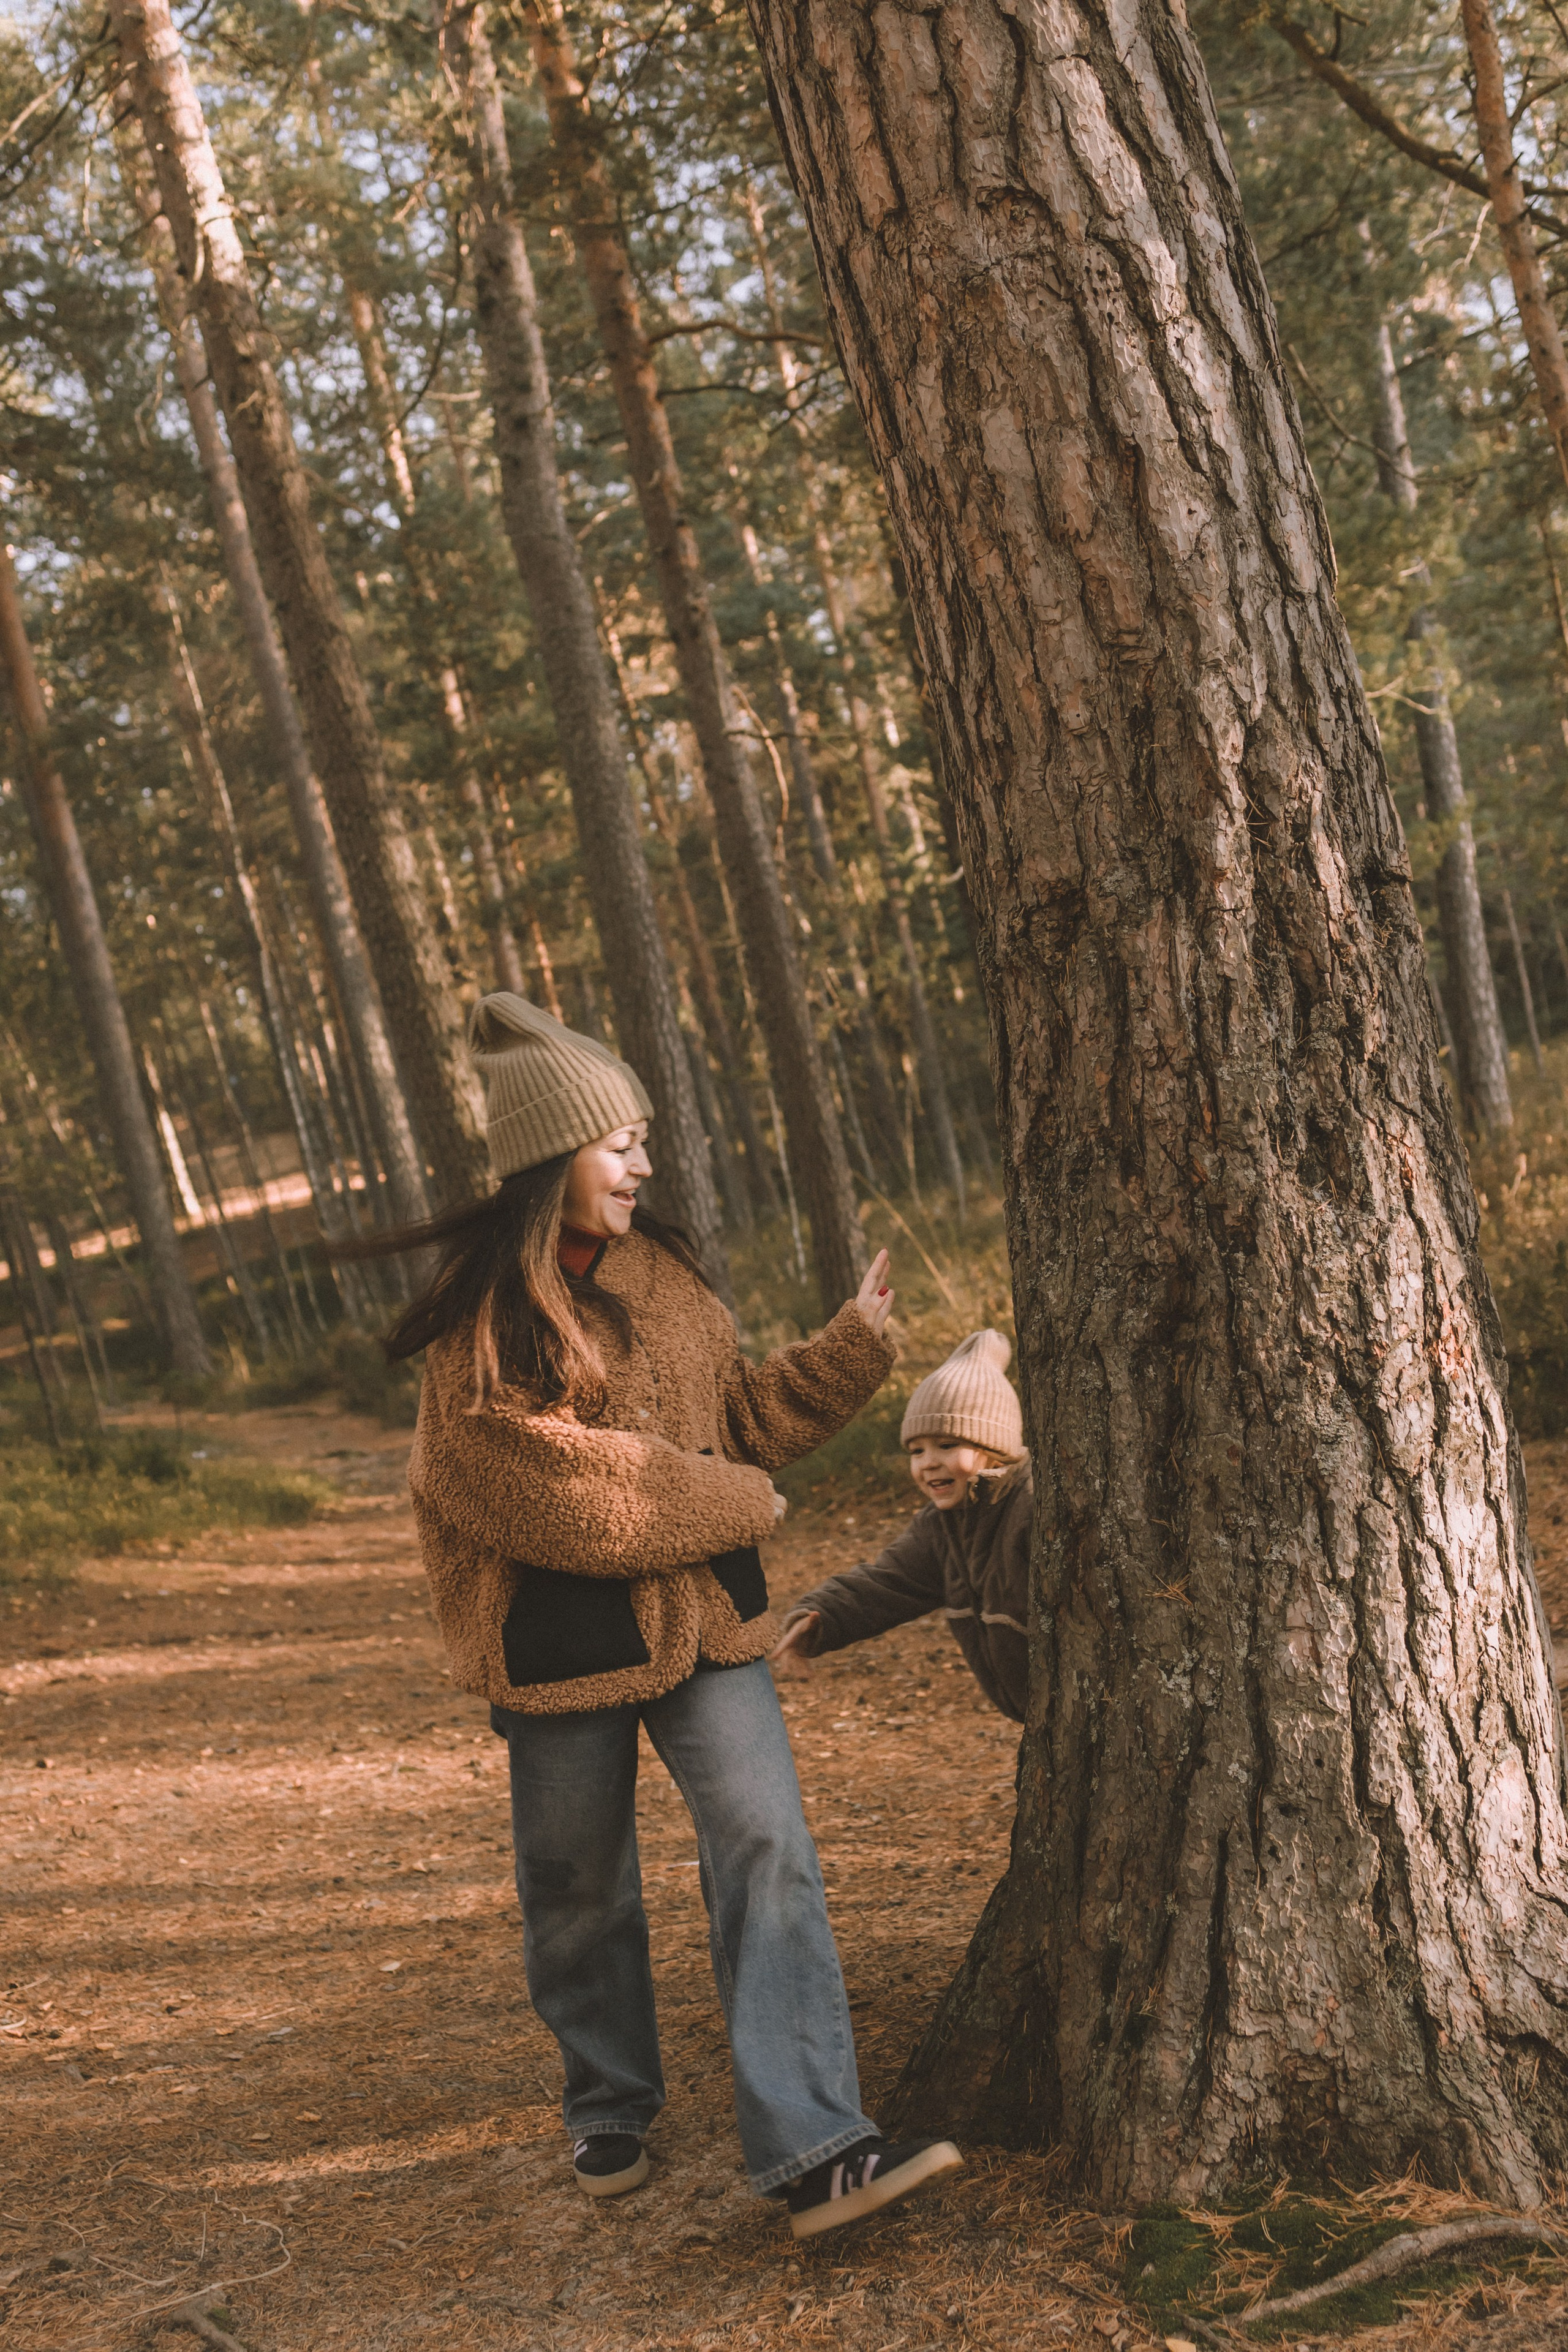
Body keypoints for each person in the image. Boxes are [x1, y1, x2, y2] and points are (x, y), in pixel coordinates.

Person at [369, 993, 963, 2240]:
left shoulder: (670, 1280)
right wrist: (740, 1499)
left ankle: (817, 2148)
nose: (643, 1162)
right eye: (619, 1141)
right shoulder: (477, 1323)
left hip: (706, 1628)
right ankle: (607, 2096)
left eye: (643, 1137)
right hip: (554, 1648)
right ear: (551, 1156)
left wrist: (853, 1349)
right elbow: (541, 1492)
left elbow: (731, 1420)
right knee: (576, 1885)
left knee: (768, 1848)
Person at [772, 1330, 1031, 1721]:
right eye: (916, 1450)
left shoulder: (1031, 1508)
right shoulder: (941, 1528)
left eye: (947, 1446)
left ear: (997, 1448)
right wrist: (820, 1618)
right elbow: (886, 1584)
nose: (927, 1462)